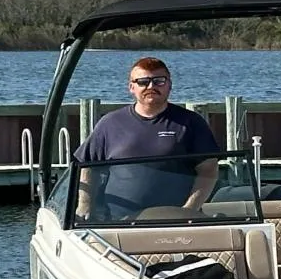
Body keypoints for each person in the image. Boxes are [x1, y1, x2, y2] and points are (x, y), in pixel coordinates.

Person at [73, 57, 221, 221]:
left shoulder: (191, 122)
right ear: (131, 87)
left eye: (159, 81)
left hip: (175, 222)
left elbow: (209, 171)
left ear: (169, 85)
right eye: (143, 82)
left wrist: (188, 211)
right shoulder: (110, 123)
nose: (151, 87)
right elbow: (87, 167)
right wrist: (84, 206)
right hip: (116, 223)